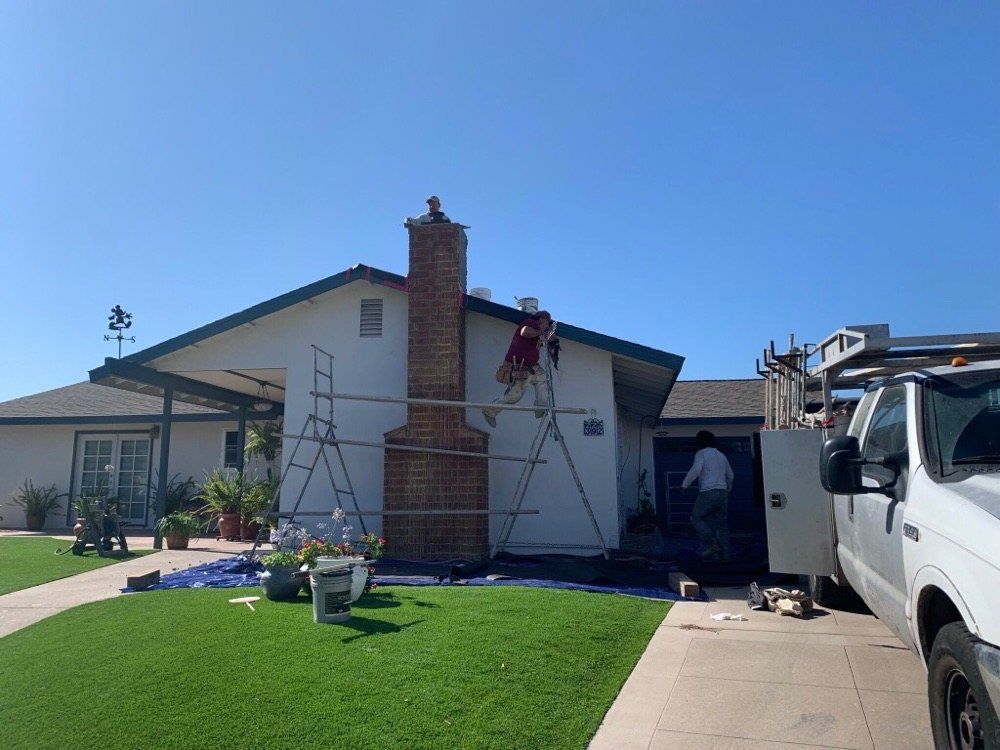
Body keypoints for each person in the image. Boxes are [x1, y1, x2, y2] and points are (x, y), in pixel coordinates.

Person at [482, 310, 558, 428]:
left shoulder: (539, 334)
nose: (547, 326)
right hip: (519, 367)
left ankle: (540, 408)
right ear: (541, 320)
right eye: (547, 323)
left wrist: (553, 342)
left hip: (532, 367)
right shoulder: (530, 323)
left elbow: (551, 339)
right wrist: (543, 331)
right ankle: (489, 411)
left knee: (543, 379)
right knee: (514, 396)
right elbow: (525, 332)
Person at [681, 430, 734, 561]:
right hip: (722, 493)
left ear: (700, 442)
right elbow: (730, 475)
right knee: (720, 525)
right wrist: (727, 490)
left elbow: (696, 469)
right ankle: (726, 558)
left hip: (708, 492)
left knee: (696, 518)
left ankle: (712, 545)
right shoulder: (721, 455)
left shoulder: (701, 453)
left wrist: (684, 485)